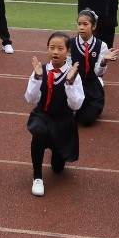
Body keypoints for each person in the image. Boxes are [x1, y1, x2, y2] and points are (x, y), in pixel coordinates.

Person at [25, 32, 84, 197]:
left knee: (58, 169)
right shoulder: (41, 70)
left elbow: (76, 105)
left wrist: (70, 82)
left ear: (68, 51)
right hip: (43, 115)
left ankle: (56, 152)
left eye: (60, 48)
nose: (55, 52)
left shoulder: (73, 75)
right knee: (39, 132)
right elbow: (30, 98)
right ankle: (37, 177)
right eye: (52, 48)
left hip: (63, 121)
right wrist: (37, 77)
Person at [71, 9, 118, 126]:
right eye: (79, 24)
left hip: (92, 88)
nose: (81, 27)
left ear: (94, 26)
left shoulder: (101, 45)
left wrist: (103, 61)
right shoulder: (70, 43)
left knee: (87, 119)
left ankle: (82, 109)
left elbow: (98, 72)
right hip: (74, 86)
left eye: (85, 24)